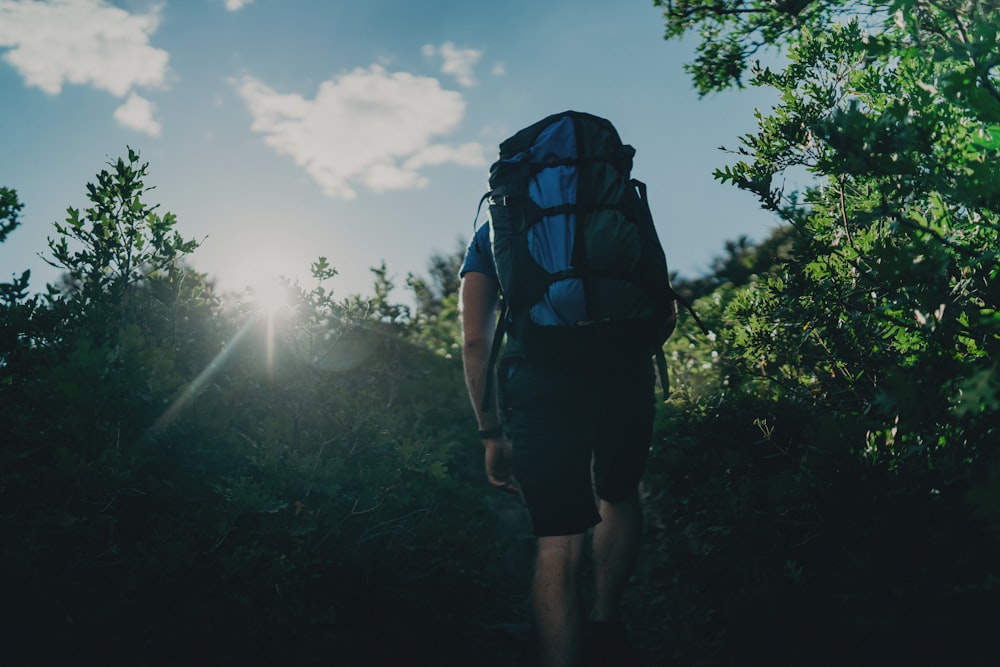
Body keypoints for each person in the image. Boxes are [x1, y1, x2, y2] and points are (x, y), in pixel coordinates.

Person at [460, 221, 660, 667]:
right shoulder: (616, 199)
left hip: (541, 376)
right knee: (619, 493)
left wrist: (491, 435)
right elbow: (660, 301)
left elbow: (476, 339)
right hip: (624, 369)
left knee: (558, 537)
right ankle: (605, 622)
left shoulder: (499, 224)